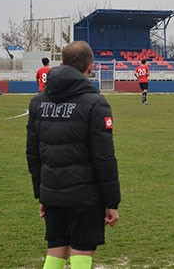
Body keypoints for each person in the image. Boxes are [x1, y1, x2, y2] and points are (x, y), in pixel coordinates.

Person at [26, 41, 120, 269]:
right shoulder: (95, 103)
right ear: (90, 67)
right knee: (81, 249)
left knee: (56, 249)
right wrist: (112, 202)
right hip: (85, 195)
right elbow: (104, 157)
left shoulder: (38, 102)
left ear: (62, 63)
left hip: (53, 191)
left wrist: (42, 194)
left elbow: (33, 154)